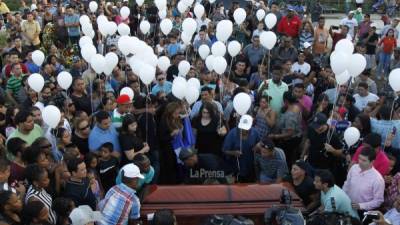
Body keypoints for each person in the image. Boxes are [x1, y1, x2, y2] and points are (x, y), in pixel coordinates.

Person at [343, 146, 385, 212]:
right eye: (359, 158)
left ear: (372, 162)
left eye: (364, 160)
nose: (360, 162)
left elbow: (378, 201)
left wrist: (361, 206)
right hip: (347, 205)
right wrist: (343, 197)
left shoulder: (378, 179)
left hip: (362, 211)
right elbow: (347, 184)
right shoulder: (354, 168)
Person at [223, 114, 260, 183]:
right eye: (242, 128)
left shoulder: (255, 132)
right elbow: (224, 150)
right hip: (236, 167)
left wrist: (257, 147)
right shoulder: (232, 134)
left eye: (246, 128)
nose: (244, 130)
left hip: (250, 166)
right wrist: (234, 152)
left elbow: (259, 143)